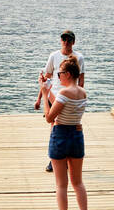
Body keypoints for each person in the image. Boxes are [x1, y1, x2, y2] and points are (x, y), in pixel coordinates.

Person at [44, 56, 90, 210]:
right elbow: (64, 104)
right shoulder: (82, 93)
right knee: (78, 182)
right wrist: (48, 92)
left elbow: (50, 117)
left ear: (68, 74)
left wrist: (43, 91)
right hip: (77, 136)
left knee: (61, 184)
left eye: (60, 73)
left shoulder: (64, 94)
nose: (58, 77)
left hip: (60, 136)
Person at [35, 31, 85, 171]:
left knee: (63, 125)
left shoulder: (79, 57)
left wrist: (77, 96)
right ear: (60, 40)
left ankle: (61, 157)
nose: (66, 42)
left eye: (69, 39)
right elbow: (47, 77)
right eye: (64, 39)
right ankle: (54, 159)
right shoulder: (54, 56)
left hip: (68, 96)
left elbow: (81, 80)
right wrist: (39, 99)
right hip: (54, 95)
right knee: (54, 126)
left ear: (73, 42)